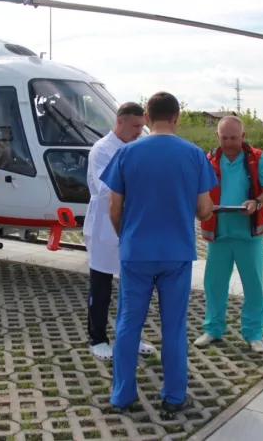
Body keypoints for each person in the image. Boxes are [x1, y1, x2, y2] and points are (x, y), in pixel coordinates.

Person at [100, 91, 217, 414]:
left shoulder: (126, 153)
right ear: (177, 117)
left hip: (136, 251)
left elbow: (114, 208)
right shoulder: (195, 155)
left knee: (128, 324)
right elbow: (204, 209)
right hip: (176, 252)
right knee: (174, 327)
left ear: (148, 118)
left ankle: (123, 396)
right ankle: (174, 397)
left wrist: (126, 236)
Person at [194, 115, 263, 353]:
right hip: (219, 233)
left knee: (253, 285)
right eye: (224, 138)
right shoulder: (209, 159)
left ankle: (254, 333)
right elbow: (199, 189)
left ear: (243, 136)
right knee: (214, 284)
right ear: (217, 136)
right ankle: (213, 329)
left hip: (248, 235)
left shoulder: (257, 158)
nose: (229, 143)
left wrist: (256, 202)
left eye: (233, 138)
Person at [83, 101, 155, 362]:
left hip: (131, 222)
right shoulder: (101, 149)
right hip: (104, 223)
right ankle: (98, 339)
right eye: (135, 126)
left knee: (133, 287)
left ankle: (130, 336)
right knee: (101, 286)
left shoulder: (136, 147)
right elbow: (106, 188)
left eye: (142, 126)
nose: (139, 131)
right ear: (120, 121)